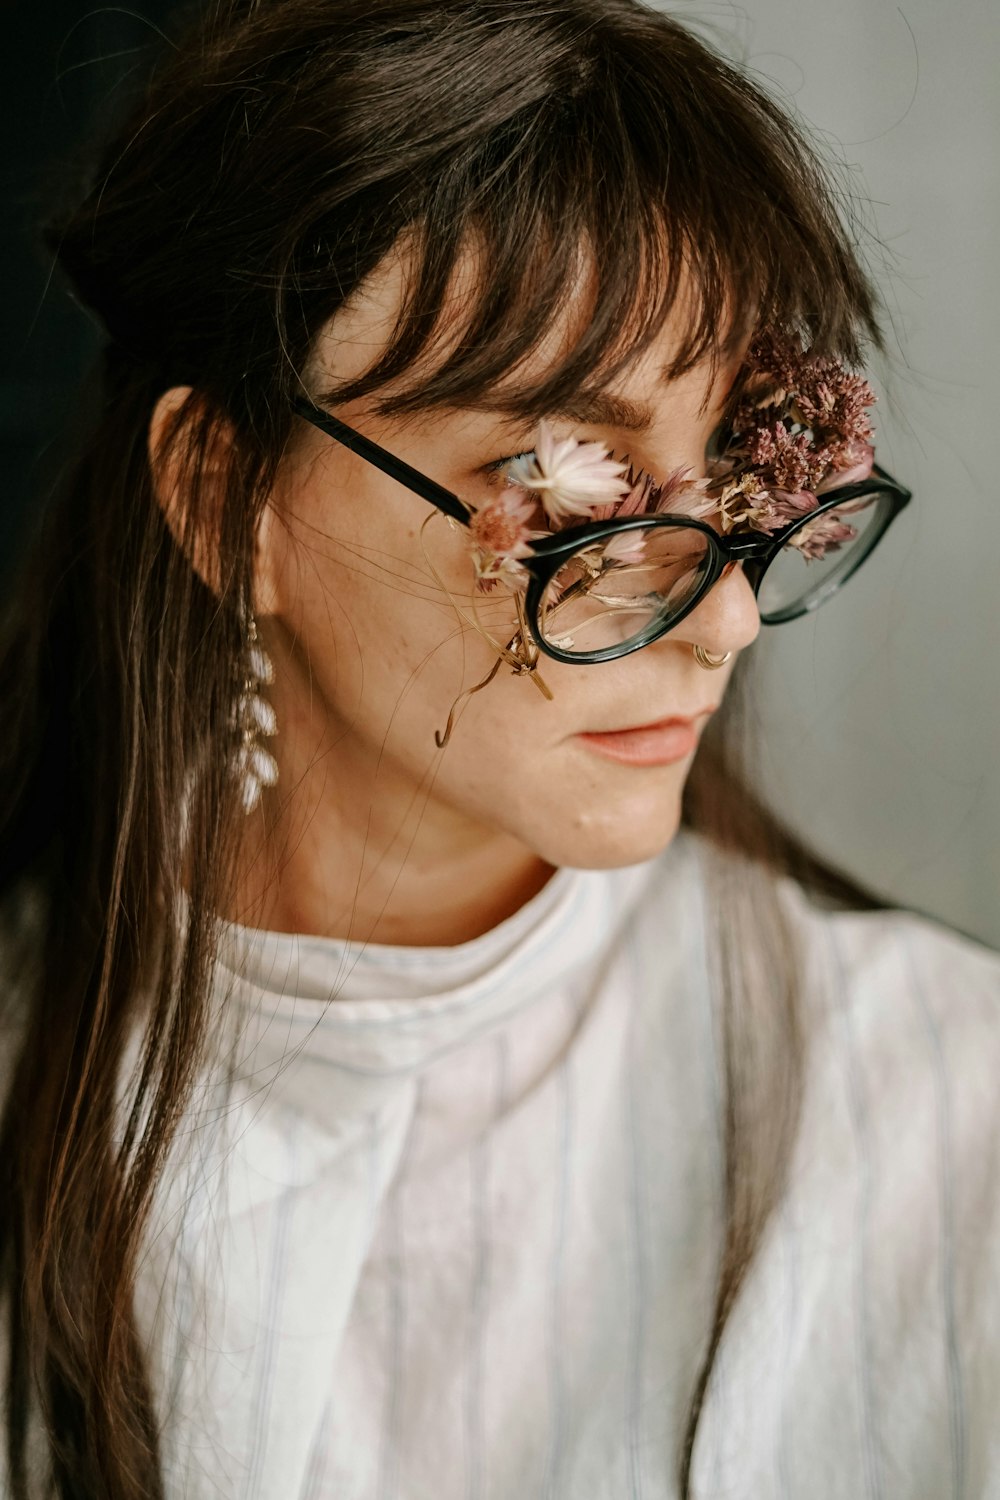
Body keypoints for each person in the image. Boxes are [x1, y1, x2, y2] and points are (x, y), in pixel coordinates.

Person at [1, 0, 997, 1496]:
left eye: (735, 467)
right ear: (223, 500)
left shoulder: (951, 1124)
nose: (721, 624)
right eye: (570, 491)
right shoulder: (32, 1056)